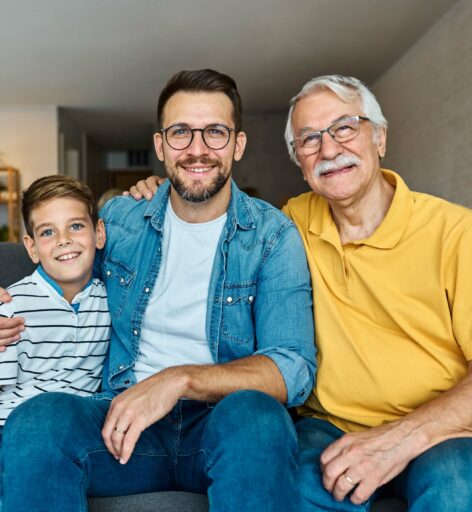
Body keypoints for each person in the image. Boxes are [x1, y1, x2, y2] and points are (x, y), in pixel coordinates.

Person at [126, 74, 472, 511]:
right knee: (296, 492)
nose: (329, 149)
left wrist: (398, 440)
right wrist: (159, 191)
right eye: (309, 139)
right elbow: (209, 206)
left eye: (345, 127)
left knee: (457, 495)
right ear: (300, 162)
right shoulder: (288, 227)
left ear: (380, 137)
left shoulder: (459, 232)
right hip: (330, 426)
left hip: (450, 427)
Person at [0, 69, 316, 512]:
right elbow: (59, 267)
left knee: (261, 418)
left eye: (216, 132)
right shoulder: (123, 219)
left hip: (221, 424)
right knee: (39, 419)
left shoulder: (272, 235)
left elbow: (293, 368)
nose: (197, 149)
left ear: (238, 145)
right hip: (122, 420)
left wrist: (178, 380)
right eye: (181, 132)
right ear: (160, 145)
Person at [0, 175, 110, 509]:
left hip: (78, 433)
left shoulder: (111, 300)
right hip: (13, 430)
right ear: (31, 247)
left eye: (76, 226)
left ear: (99, 233)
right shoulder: (12, 305)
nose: (64, 241)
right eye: (48, 232)